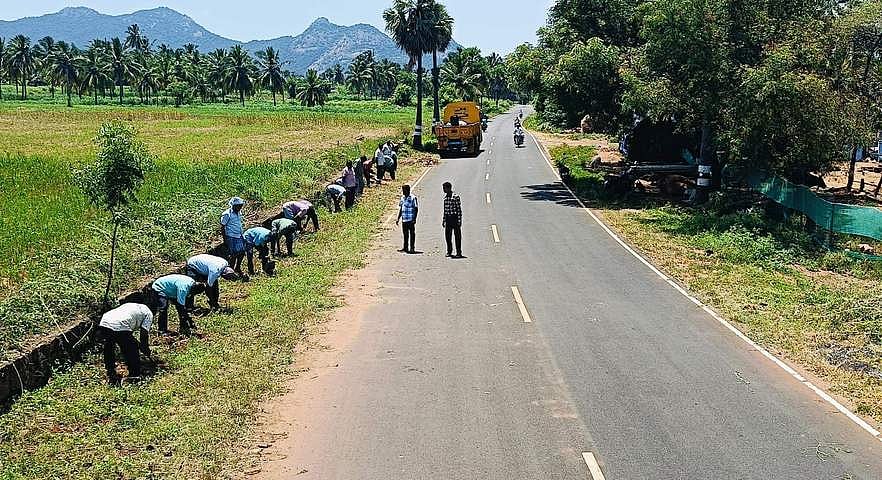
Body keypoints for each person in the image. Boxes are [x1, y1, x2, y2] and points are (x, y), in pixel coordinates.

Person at [97, 302, 153, 385]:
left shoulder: (132, 305)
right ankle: (134, 375)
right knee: (132, 350)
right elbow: (143, 335)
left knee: (109, 346)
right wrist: (146, 349)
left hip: (105, 320)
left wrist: (139, 344)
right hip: (121, 324)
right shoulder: (149, 314)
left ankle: (110, 371)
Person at [221, 197, 246, 273]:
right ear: (234, 205)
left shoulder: (239, 212)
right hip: (231, 236)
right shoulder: (227, 214)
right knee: (233, 254)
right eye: (239, 206)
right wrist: (225, 239)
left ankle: (237, 267)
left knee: (242, 252)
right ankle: (231, 270)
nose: (240, 207)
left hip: (238, 235)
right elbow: (222, 226)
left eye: (241, 206)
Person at [442, 182, 463, 258]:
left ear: (448, 188)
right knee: (448, 236)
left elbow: (459, 209)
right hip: (448, 218)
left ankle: (458, 252)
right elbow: (445, 210)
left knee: (457, 236)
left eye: (444, 188)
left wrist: (459, 220)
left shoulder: (455, 197)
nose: (444, 190)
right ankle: (449, 251)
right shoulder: (445, 198)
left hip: (454, 218)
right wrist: (444, 220)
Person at [396, 184, 419, 253]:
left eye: (404, 190)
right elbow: (401, 208)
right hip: (404, 219)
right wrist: (398, 218)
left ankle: (412, 248)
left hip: (410, 219)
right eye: (403, 190)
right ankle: (405, 247)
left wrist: (414, 218)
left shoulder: (413, 198)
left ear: (408, 190)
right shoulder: (402, 198)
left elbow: (416, 208)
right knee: (405, 234)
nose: (403, 192)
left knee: (412, 234)